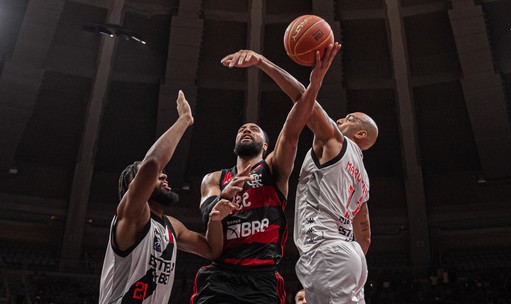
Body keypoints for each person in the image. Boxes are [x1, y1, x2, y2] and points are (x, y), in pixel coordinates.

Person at [189, 44, 341, 304]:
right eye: (242, 129)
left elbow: (294, 128)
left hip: (262, 279)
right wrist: (223, 198)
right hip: (220, 276)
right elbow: (208, 216)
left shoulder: (273, 169)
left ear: (266, 144)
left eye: (254, 129)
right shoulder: (213, 179)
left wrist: (311, 85)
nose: (246, 130)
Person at [231, 47, 376, 303]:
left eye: (349, 119)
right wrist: (349, 259)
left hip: (326, 248)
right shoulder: (362, 176)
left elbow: (301, 98)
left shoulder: (334, 140)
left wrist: (263, 61)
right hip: (350, 254)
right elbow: (364, 233)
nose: (341, 119)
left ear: (361, 134)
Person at [99, 90, 238, 304]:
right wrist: (184, 120)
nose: (164, 174)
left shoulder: (172, 226)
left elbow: (211, 250)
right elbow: (152, 164)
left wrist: (215, 218)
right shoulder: (131, 215)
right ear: (133, 186)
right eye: (154, 176)